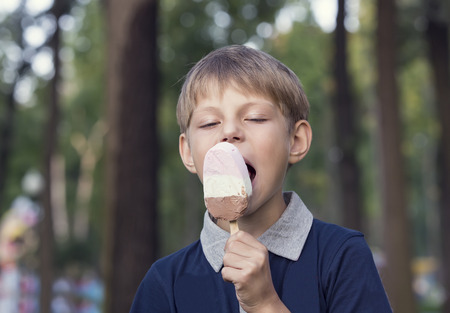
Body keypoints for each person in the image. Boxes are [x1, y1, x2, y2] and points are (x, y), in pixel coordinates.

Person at [130, 45, 392, 313]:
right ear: (187, 152)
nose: (229, 131)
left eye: (255, 118)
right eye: (210, 123)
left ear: (296, 141)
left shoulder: (342, 256)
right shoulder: (165, 283)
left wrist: (266, 305)